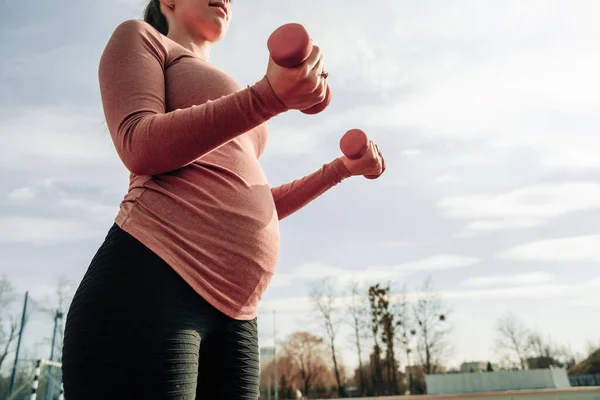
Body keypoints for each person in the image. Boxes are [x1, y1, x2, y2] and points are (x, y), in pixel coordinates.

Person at [61, 0, 384, 399]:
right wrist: (269, 98)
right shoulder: (139, 36)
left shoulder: (232, 91)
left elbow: (252, 203)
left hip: (237, 312)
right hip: (154, 277)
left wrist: (340, 170)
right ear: (169, 1)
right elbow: (138, 144)